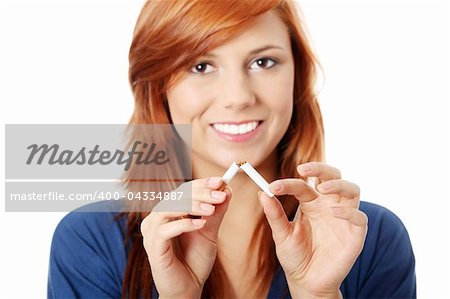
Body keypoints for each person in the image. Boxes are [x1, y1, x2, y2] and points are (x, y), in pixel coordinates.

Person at [47, 1, 416, 298]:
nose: (238, 97)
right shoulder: (89, 240)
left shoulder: (368, 235)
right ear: (158, 86)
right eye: (201, 65)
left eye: (263, 62)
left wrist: (316, 294)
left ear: (297, 75)